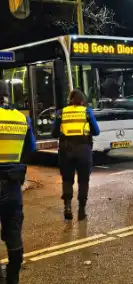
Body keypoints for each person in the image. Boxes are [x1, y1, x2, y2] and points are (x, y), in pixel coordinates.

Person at [0, 80, 36, 284]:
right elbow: (30, 149)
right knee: (13, 230)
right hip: (12, 184)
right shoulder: (21, 119)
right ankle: (12, 277)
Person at [52, 89, 100, 221]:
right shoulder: (87, 112)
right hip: (83, 150)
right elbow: (96, 131)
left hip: (66, 150)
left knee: (67, 180)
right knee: (83, 180)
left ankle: (67, 207)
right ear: (82, 100)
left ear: (70, 100)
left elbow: (54, 133)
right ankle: (81, 211)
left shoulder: (61, 113)